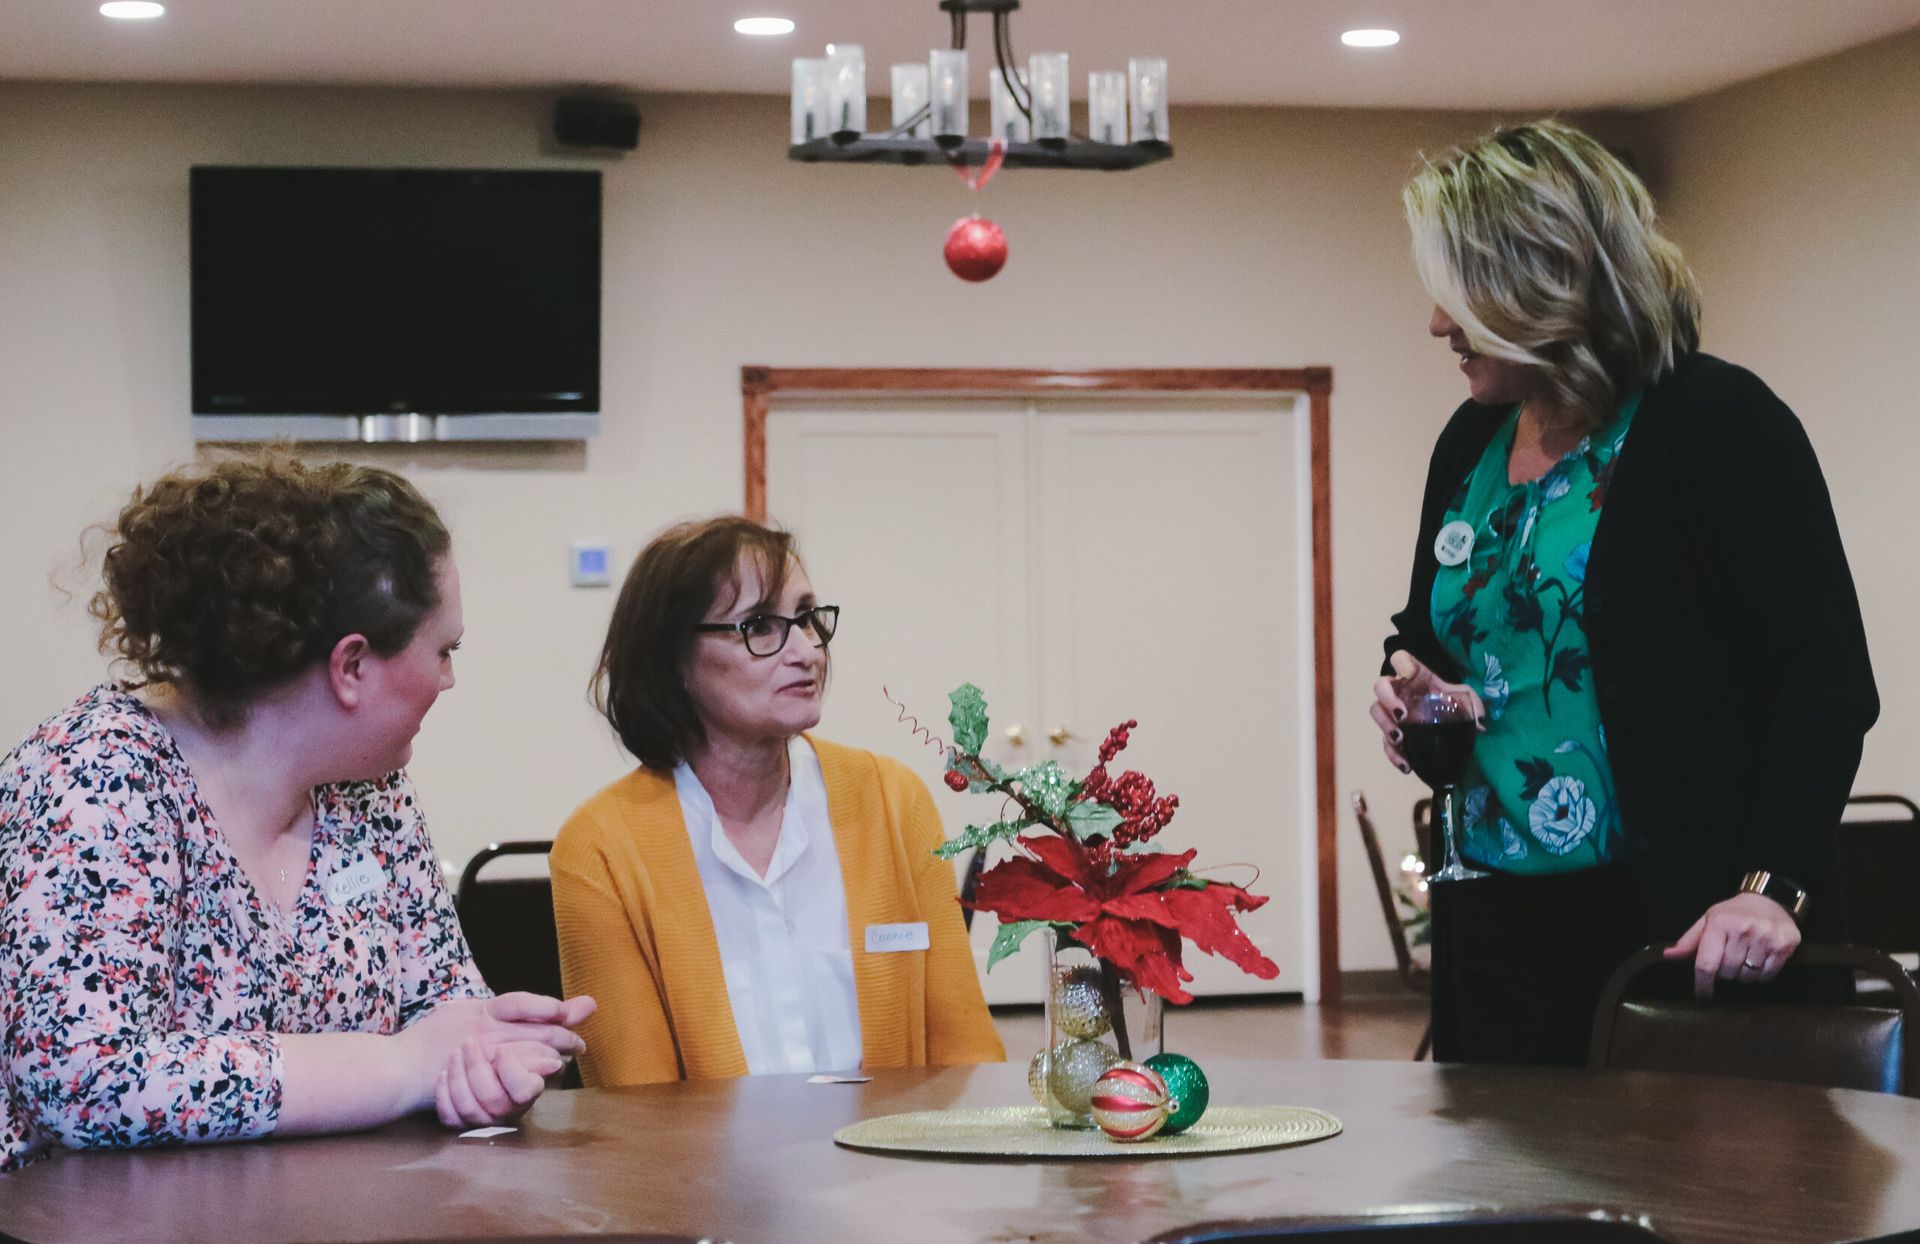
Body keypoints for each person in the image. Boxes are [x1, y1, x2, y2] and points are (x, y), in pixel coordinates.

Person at [1374, 120, 1878, 1066]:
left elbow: (1824, 681)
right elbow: (1431, 631)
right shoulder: (1469, 441)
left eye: (1459, 297)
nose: (1437, 325)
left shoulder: (1718, 425)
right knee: (1506, 1214)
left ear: (1543, 281)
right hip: (1493, 930)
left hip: (1685, 940)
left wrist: (1771, 887)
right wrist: (1408, 681)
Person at [0, 455, 595, 1174]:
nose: (449, 678)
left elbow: (445, 1009)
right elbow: (86, 1081)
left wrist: (489, 1065)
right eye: (443, 650)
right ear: (351, 667)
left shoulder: (370, 791)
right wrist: (401, 1068)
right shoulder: (97, 775)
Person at [552, 516, 1003, 1085]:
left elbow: (967, 1056)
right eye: (761, 625)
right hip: (700, 1176)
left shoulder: (893, 801)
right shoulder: (599, 849)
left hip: (893, 1168)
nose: (806, 651)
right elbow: (636, 1112)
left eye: (807, 618)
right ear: (674, 662)